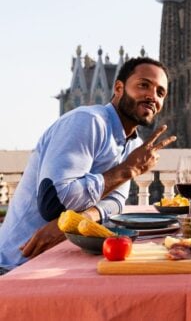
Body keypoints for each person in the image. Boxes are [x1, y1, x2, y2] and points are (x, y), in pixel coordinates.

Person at [0, 57, 176, 274]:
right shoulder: (88, 121)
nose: (152, 96)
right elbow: (55, 203)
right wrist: (128, 169)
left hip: (60, 262)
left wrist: (80, 220)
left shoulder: (135, 144)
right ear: (119, 88)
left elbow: (116, 202)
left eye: (160, 92)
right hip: (17, 264)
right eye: (143, 85)